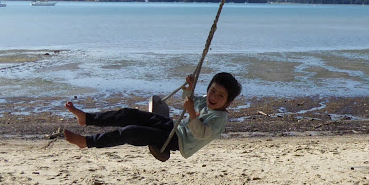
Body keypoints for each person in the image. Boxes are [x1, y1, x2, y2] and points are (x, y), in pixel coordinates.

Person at [63, 72, 241, 161]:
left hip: (177, 141)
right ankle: (87, 118)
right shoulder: (205, 100)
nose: (213, 97)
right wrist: (189, 87)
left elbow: (201, 133)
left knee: (130, 132)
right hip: (173, 126)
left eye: (220, 96)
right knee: (129, 114)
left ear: (228, 102)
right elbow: (190, 99)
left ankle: (87, 142)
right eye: (212, 91)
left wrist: (191, 114)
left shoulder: (219, 120)